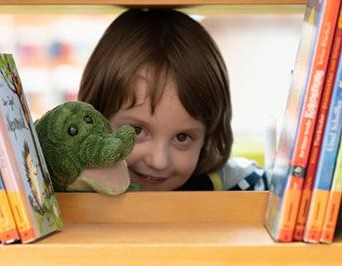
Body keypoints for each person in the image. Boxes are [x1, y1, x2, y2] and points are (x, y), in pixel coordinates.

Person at [78, 8, 268, 191]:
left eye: (182, 137)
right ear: (94, 119)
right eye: (136, 131)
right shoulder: (65, 188)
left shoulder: (246, 186)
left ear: (207, 138)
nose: (159, 161)